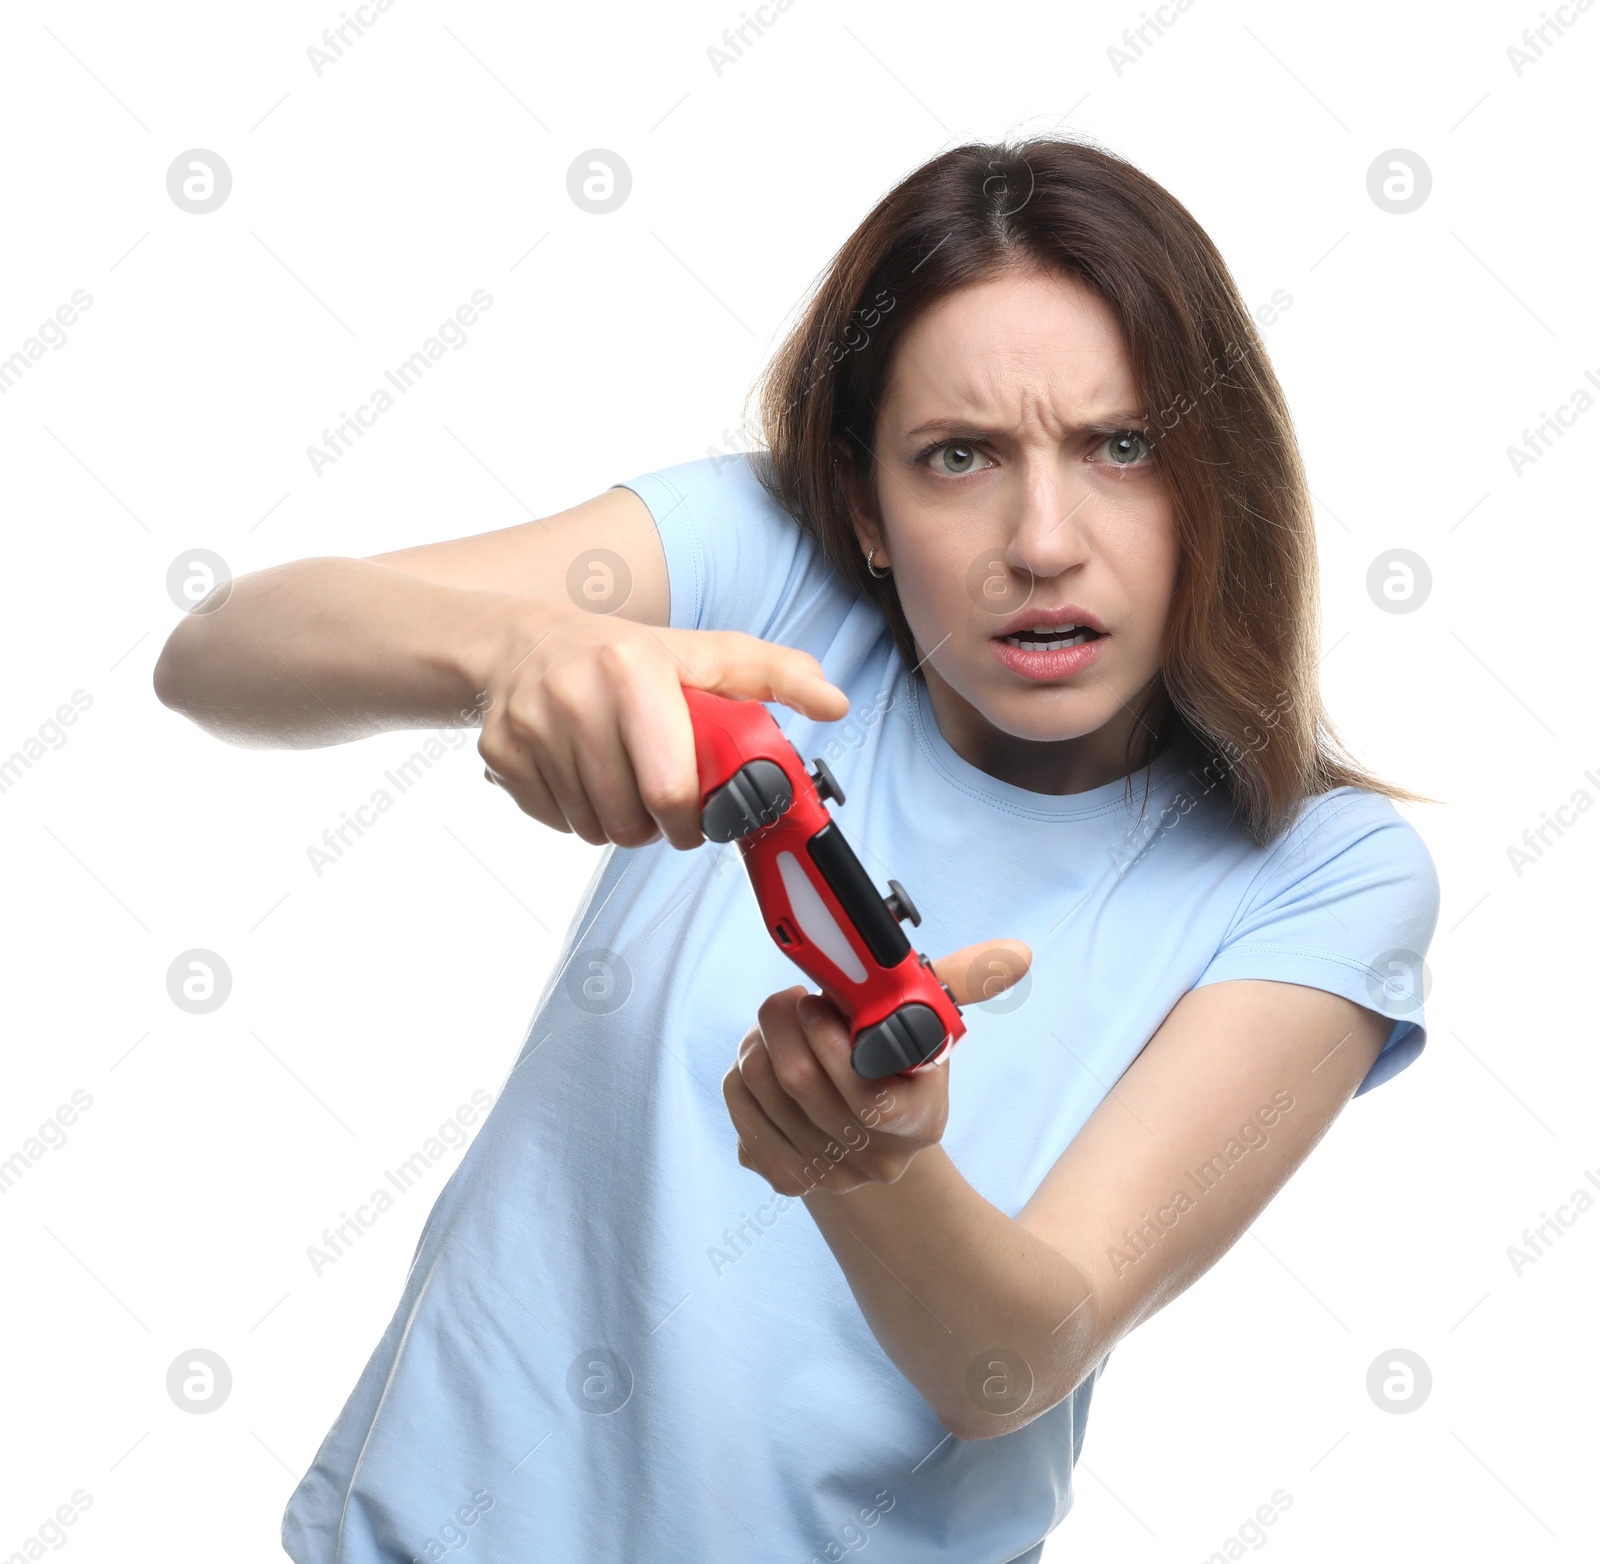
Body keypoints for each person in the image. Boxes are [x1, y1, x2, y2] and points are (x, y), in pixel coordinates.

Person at [154, 135, 1439, 1564]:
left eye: (1121, 446)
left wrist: (872, 1169)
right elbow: (218, 654)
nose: (1045, 540)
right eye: (960, 458)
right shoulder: (765, 573)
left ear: (1221, 475)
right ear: (864, 508)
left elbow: (1019, 1357)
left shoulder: (1327, 877)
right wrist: (518, 645)